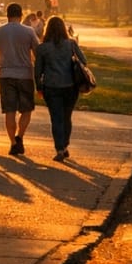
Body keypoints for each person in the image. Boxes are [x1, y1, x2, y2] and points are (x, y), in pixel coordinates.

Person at [0, 2, 40, 156]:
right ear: (21, 15)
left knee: (9, 111)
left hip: (6, 75)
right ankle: (20, 137)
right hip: (25, 75)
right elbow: (37, 52)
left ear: (7, 15)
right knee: (26, 110)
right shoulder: (29, 31)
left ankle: (13, 143)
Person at [34, 15, 85, 162]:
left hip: (51, 86)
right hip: (70, 86)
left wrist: (39, 87)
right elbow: (84, 61)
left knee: (56, 118)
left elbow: (38, 70)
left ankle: (60, 148)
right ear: (63, 28)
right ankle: (65, 145)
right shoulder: (71, 44)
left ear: (47, 29)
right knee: (67, 117)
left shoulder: (42, 48)